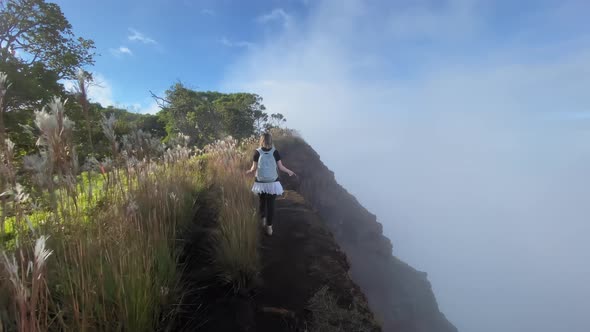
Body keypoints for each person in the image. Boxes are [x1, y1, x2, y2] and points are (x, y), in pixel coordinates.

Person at [246, 132, 296, 236]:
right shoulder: (275, 152)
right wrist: (289, 171)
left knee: (262, 202)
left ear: (262, 140)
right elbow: (281, 167)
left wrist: (249, 171)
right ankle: (269, 227)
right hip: (273, 182)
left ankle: (263, 219)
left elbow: (253, 168)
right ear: (270, 140)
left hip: (261, 182)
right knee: (271, 205)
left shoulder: (257, 152)